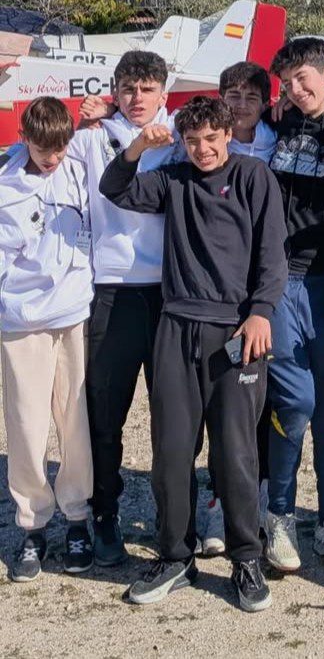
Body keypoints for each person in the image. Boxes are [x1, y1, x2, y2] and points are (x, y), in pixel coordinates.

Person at [100, 96, 287, 612]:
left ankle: (246, 556)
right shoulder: (174, 180)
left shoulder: (253, 177)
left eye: (211, 138)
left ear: (227, 134)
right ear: (182, 141)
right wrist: (139, 145)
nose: (203, 148)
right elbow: (114, 188)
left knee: (235, 453)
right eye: (193, 140)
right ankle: (175, 555)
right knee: (172, 451)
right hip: (176, 326)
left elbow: (273, 253)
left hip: (237, 331)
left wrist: (261, 311)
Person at [69, 51, 184, 566]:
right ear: (114, 91)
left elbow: (239, 126)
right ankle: (105, 514)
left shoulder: (184, 132)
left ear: (164, 91)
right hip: (111, 291)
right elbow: (41, 158)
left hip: (171, 294)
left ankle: (172, 517)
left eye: (147, 88)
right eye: (128, 88)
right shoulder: (93, 136)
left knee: (174, 418)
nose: (137, 98)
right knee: (105, 416)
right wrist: (79, 116)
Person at [264, 38, 324, 573]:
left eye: (303, 80)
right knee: (294, 403)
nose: (295, 91)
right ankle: (278, 514)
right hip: (278, 282)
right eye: (288, 84)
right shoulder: (281, 127)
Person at [0, 98, 94, 581]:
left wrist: (96, 114)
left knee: (74, 418)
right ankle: (33, 524)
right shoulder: (6, 185)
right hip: (23, 320)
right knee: (27, 424)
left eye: (58, 148)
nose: (51, 158)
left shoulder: (77, 163)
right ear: (23, 137)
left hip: (74, 313)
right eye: (41, 149)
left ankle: (77, 516)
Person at [200, 60, 278, 556]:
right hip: (217, 291)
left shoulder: (284, 138)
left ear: (266, 102)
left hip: (272, 285)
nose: (241, 103)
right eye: (233, 94)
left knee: (269, 401)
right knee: (219, 403)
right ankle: (216, 499)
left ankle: (265, 502)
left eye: (251, 95)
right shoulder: (204, 143)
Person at [221, 61, 278, 163]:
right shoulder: (205, 138)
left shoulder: (279, 139)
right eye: (234, 96)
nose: (242, 105)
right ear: (221, 100)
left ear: (265, 105)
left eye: (251, 98)